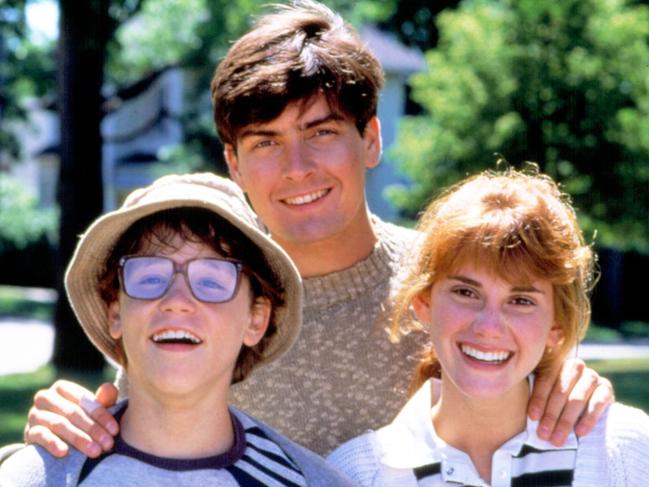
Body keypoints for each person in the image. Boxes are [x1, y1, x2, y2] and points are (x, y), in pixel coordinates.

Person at [18, 0, 612, 457]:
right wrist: (71, 420)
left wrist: (569, 381)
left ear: (371, 139)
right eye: (266, 142)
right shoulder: (205, 299)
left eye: (322, 132)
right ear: (233, 163)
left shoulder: (448, 285)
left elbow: (529, 364)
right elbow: (131, 440)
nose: (297, 167)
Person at [0, 173, 355, 486]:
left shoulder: (308, 481)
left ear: (256, 319)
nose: (177, 300)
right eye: (150, 277)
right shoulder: (34, 477)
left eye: (213, 281)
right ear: (115, 313)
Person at [327, 167, 649, 486]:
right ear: (424, 302)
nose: (489, 326)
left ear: (557, 325)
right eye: (466, 292)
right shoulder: (357, 473)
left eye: (521, 300)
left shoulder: (621, 450)